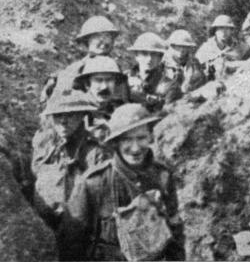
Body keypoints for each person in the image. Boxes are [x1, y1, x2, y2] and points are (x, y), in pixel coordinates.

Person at [58, 104, 185, 261]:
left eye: (141, 138)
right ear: (115, 142)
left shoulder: (162, 176)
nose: (135, 148)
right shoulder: (94, 182)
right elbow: (71, 243)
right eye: (127, 139)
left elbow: (175, 231)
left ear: (150, 137)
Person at [31, 88, 107, 231]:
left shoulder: (93, 151)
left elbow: (98, 198)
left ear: (81, 116)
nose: (63, 121)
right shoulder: (43, 144)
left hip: (78, 228)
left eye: (70, 115)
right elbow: (35, 173)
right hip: (44, 223)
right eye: (58, 115)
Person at [41, 15, 121, 103]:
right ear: (86, 40)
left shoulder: (116, 67)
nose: (103, 41)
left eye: (107, 36)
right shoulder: (75, 69)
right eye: (97, 36)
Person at [196, 15, 250, 82]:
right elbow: (198, 67)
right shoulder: (206, 48)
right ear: (215, 30)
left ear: (231, 30)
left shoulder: (239, 46)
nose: (224, 31)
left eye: (227, 28)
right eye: (221, 28)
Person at [127, 32, 173, 111]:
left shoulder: (167, 82)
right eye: (144, 54)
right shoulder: (125, 78)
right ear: (136, 56)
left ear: (160, 57)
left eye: (154, 54)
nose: (149, 59)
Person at [162, 29, 206, 95]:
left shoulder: (194, 62)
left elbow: (201, 82)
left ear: (188, 48)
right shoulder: (163, 64)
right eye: (178, 46)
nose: (181, 50)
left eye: (184, 46)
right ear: (172, 46)